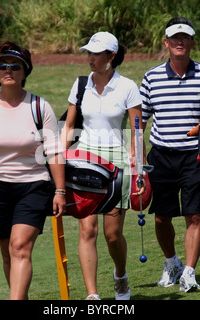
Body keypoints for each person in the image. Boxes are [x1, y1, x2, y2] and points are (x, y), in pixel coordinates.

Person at [0, 41, 66, 300]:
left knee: (20, 247)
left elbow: (54, 153)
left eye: (15, 66)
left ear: (25, 71)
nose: (8, 70)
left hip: (34, 186)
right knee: (8, 254)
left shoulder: (40, 107)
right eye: (2, 65)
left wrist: (60, 190)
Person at [140, 17, 200, 292]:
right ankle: (171, 263)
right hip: (161, 156)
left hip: (194, 156)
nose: (179, 42)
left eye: (184, 37)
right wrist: (137, 156)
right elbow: (139, 120)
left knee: (194, 215)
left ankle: (189, 272)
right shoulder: (151, 77)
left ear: (191, 42)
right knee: (162, 217)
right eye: (174, 38)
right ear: (166, 43)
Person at [61, 31, 145, 300]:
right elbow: (70, 125)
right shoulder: (81, 84)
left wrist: (138, 166)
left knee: (112, 235)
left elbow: (137, 130)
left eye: (96, 53)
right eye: (88, 53)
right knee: (87, 229)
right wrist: (58, 157)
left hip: (117, 164)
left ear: (111, 56)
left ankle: (120, 274)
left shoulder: (128, 87)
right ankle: (92, 295)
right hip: (84, 161)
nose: (90, 58)